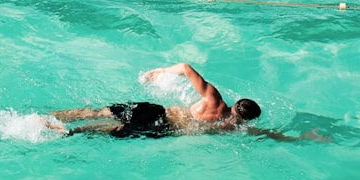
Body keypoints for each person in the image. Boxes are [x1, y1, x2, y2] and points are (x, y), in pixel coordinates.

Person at [47, 62, 262, 138]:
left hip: (160, 112)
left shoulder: (213, 98)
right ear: (245, 119)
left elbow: (186, 68)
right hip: (165, 127)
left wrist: (162, 71)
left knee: (100, 112)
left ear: (236, 104)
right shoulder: (230, 128)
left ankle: (51, 117)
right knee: (115, 128)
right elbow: (263, 134)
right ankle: (69, 132)